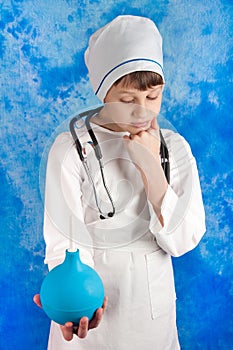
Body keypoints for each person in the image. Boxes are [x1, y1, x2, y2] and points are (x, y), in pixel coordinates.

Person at [34, 15, 206, 349]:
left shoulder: (176, 148)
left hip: (149, 318)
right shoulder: (71, 149)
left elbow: (183, 240)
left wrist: (150, 167)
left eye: (153, 97)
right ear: (103, 91)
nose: (142, 112)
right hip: (87, 310)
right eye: (127, 100)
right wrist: (71, 304)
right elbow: (65, 241)